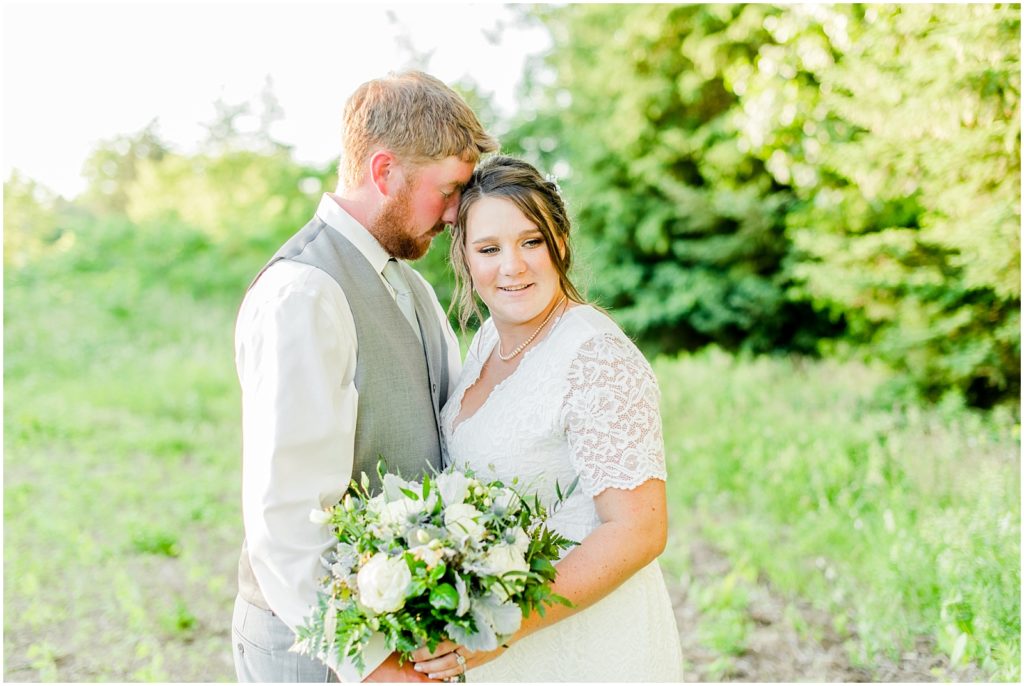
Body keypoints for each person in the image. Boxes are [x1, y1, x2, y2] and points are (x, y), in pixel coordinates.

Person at [231, 71, 498, 683]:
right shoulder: (303, 293)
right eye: (450, 190)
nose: (459, 215)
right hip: (318, 648)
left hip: (399, 627)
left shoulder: (409, 280)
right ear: (384, 173)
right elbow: (286, 517)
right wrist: (373, 666)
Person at [410, 156, 683, 682]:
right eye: (489, 249)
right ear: (464, 258)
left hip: (583, 648)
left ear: (559, 242)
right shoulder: (492, 339)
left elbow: (639, 529)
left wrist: (500, 627)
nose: (511, 266)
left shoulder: (596, 356)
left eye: (530, 241)